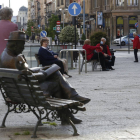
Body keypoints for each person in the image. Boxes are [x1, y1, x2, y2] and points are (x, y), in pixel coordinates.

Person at [0, 31, 90, 124]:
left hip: (18, 92)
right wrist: (45, 73)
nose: (23, 47)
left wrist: (41, 68)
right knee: (56, 81)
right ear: (15, 44)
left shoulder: (5, 56)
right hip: (30, 92)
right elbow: (30, 77)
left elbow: (26, 73)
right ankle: (71, 102)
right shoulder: (16, 58)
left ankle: (68, 113)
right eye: (22, 44)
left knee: (54, 75)